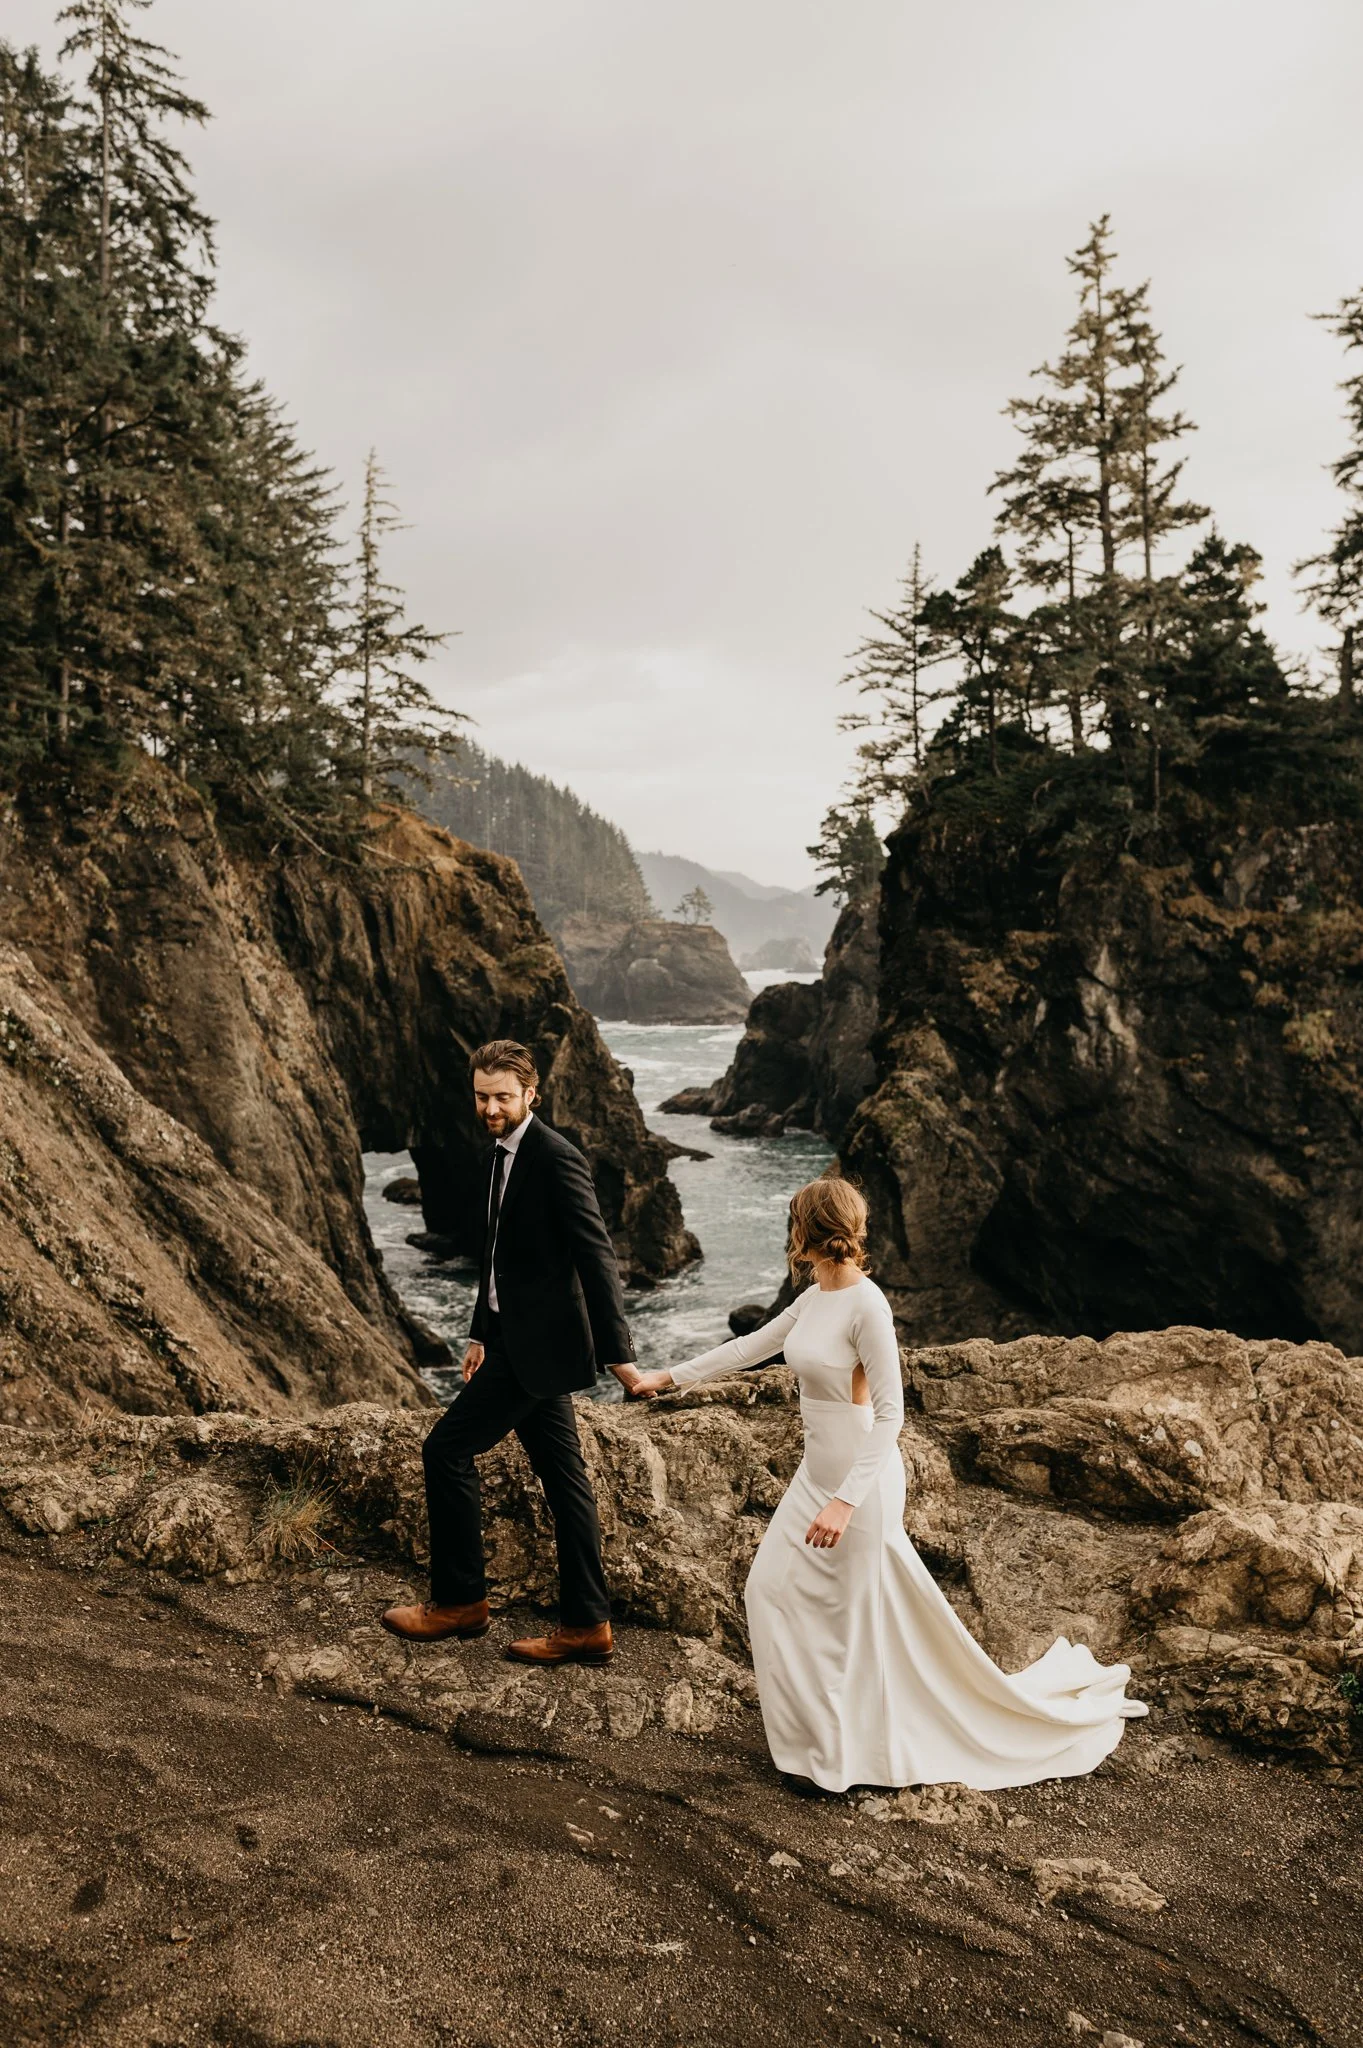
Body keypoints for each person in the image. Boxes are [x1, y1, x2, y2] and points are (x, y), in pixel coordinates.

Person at [617, 1177, 1146, 1794]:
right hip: (814, 1476)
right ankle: (810, 1743)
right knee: (767, 1592)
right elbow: (753, 1346)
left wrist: (845, 1501)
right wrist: (667, 1376)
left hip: (860, 1489)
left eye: (793, 1223)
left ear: (808, 1231)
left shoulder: (868, 1305)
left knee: (849, 1627)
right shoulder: (815, 1294)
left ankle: (832, 1764)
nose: (789, 1234)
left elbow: (891, 1414)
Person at [382, 1039, 635, 1665]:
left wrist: (619, 1355)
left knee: (444, 1450)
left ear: (531, 1095)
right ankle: (587, 1625)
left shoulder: (555, 1158)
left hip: (536, 1349)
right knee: (565, 1481)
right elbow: (494, 1257)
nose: (490, 1107)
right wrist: (478, 1332)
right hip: (513, 1342)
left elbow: (595, 1258)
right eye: (481, 1096)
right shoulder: (499, 1153)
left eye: (501, 1097)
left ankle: (460, 1602)